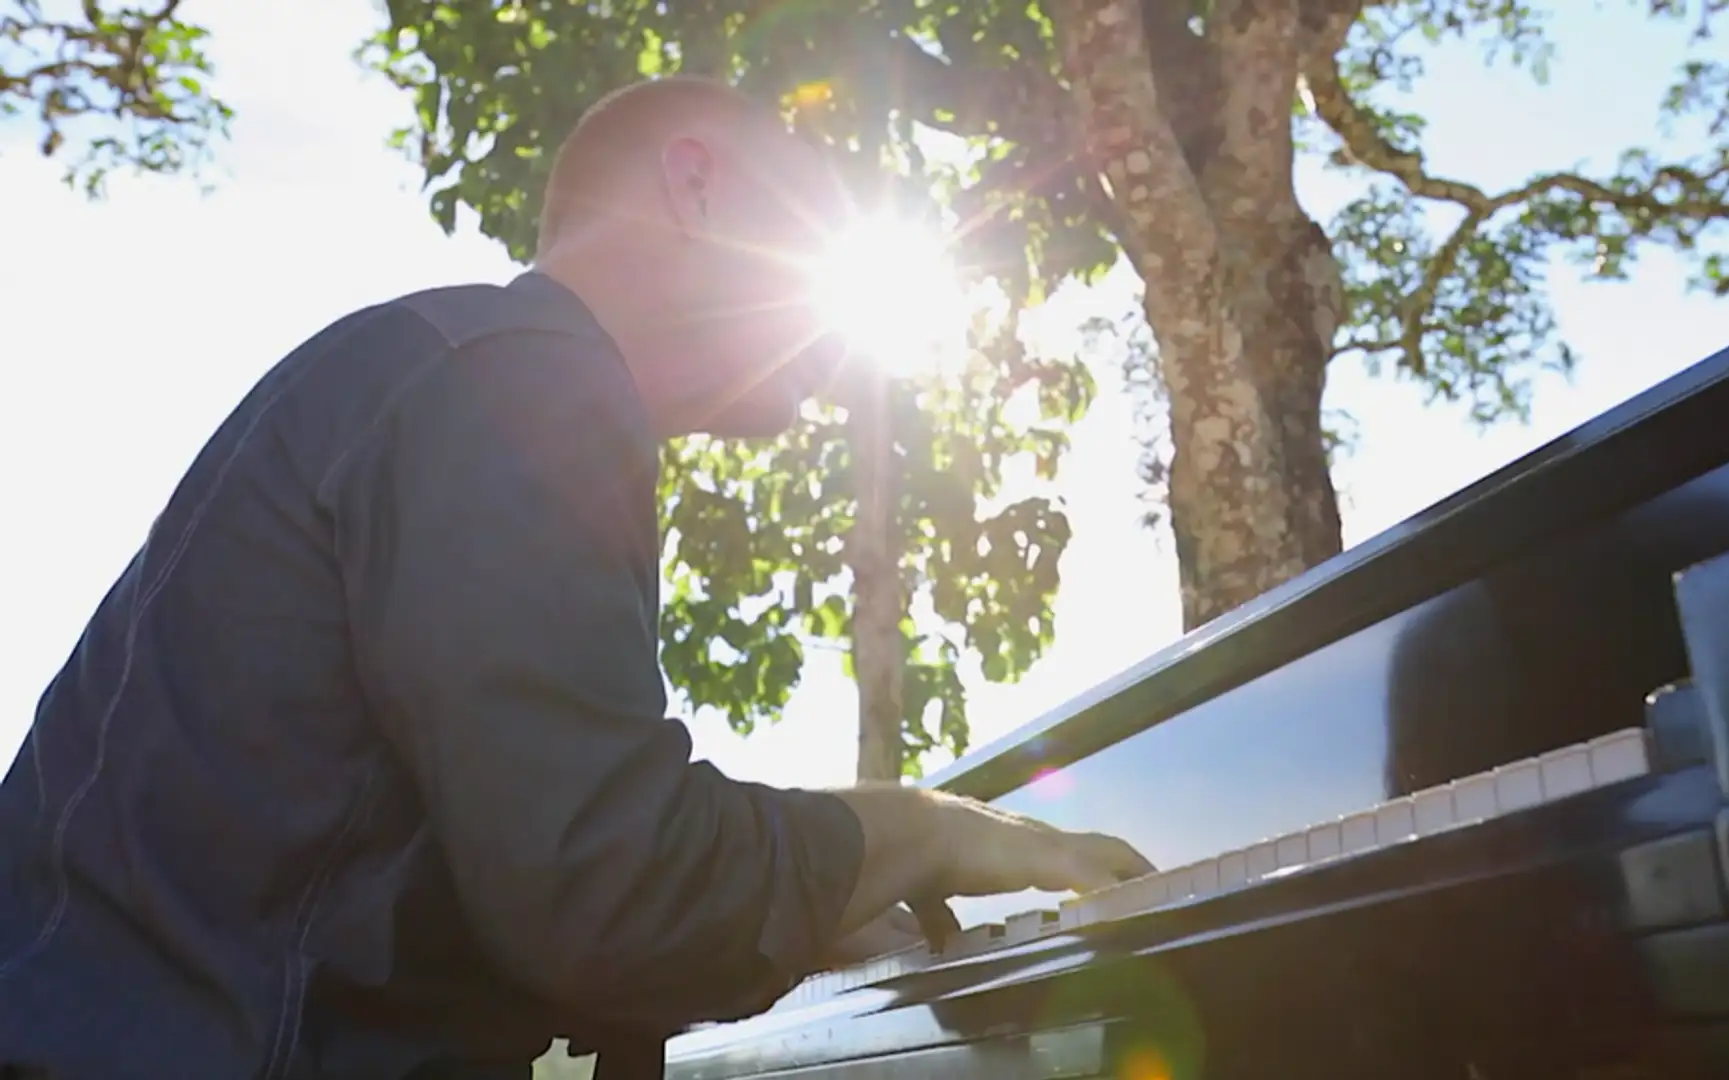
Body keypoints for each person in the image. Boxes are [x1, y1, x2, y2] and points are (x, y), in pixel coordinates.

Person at [0, 77, 1153, 1080]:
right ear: (696, 186)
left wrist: (803, 909)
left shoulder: (445, 369)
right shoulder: (520, 379)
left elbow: (432, 902)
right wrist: (917, 830)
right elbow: (609, 892)